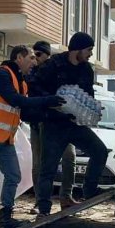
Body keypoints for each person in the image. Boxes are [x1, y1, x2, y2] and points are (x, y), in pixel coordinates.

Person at [0, 46, 64, 228]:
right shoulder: (1, 75)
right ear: (19, 58)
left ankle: (5, 218)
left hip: (5, 139)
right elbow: (15, 100)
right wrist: (48, 101)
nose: (34, 62)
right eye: (31, 57)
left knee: (13, 175)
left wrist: (53, 111)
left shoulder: (22, 82)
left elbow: (26, 109)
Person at [33, 32, 110, 217]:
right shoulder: (53, 64)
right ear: (77, 49)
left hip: (76, 124)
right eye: (89, 50)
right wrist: (51, 100)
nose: (91, 54)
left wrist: (88, 112)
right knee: (48, 169)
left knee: (99, 151)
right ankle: (43, 210)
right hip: (53, 124)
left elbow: (89, 96)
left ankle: (89, 192)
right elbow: (35, 87)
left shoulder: (87, 70)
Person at [27, 41, 78, 212]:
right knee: (39, 165)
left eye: (39, 55)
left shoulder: (58, 72)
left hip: (61, 124)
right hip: (38, 125)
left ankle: (66, 196)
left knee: (69, 157)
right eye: (33, 56)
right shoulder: (32, 74)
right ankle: (40, 201)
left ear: (48, 56)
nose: (36, 59)